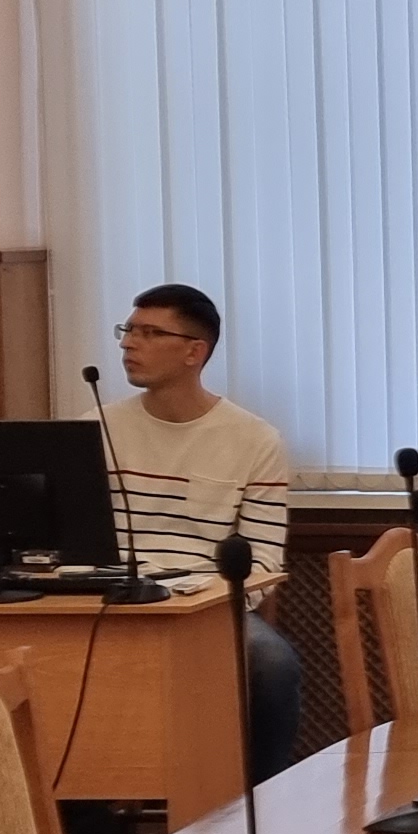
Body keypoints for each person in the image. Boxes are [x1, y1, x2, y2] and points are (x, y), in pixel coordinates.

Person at [102, 283, 303, 784]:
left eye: (150, 333)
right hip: (109, 601)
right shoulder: (96, 429)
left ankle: (257, 803)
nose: (129, 343)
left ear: (195, 352)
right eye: (128, 330)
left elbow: (263, 564)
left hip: (207, 605)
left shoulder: (255, 440)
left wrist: (196, 603)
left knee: (271, 663)